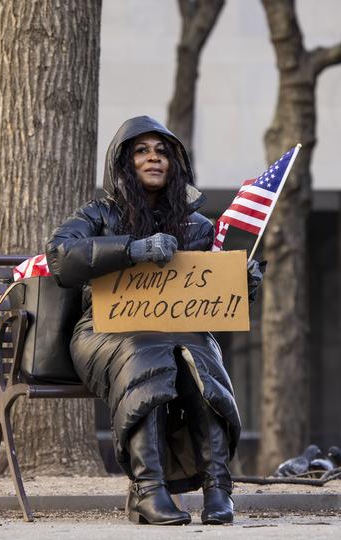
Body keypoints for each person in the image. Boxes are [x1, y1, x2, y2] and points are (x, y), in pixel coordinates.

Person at [45, 116, 264, 526]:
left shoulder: (197, 226)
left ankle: (218, 487)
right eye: (142, 151)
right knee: (145, 350)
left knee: (200, 354)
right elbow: (59, 256)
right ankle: (149, 490)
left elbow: (210, 302)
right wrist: (132, 248)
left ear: (176, 163)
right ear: (126, 161)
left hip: (176, 336)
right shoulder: (97, 214)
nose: (154, 158)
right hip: (103, 333)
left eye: (162, 151)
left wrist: (243, 282)